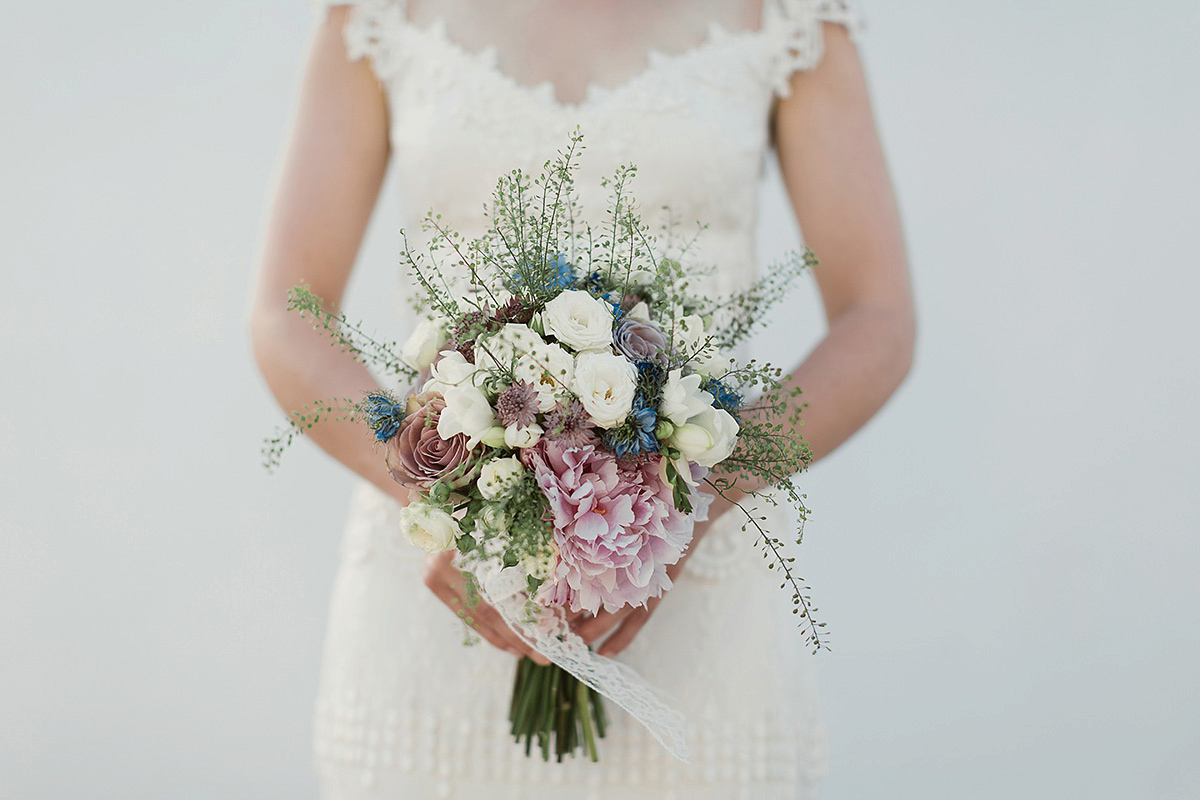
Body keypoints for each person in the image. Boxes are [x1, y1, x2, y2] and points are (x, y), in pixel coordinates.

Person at [250, 0, 914, 797]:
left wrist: (697, 497)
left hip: (697, 593)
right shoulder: (380, 16)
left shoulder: (786, 17)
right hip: (438, 593)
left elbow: (877, 314)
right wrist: (439, 497)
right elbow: (286, 312)